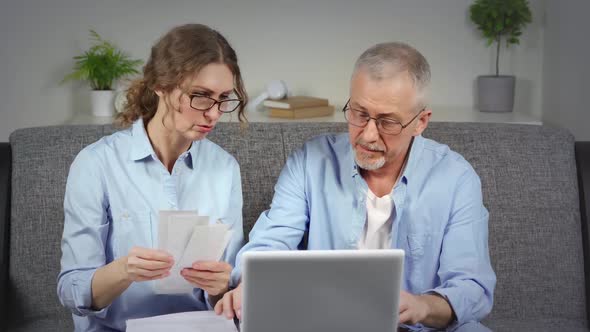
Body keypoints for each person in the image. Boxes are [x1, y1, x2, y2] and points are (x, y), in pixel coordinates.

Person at [215, 42, 496, 331]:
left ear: (420, 122)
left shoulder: (456, 177)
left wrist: (422, 306)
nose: (369, 135)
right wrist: (251, 285)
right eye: (359, 114)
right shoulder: (311, 162)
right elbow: (270, 243)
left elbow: (471, 287)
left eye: (388, 122)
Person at [57, 23, 247, 331]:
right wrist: (123, 271)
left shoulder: (225, 168)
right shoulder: (96, 164)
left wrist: (221, 287)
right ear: (160, 85)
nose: (214, 113)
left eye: (224, 98)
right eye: (200, 96)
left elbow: (228, 292)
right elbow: (71, 290)